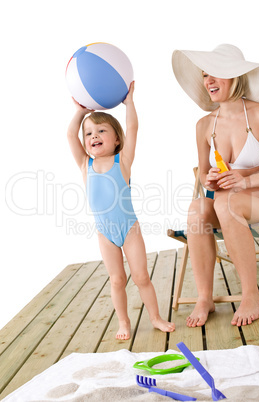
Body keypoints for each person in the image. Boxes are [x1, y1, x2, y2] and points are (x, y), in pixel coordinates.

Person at [67, 82, 175, 340]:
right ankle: (123, 323)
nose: (93, 136)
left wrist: (130, 103)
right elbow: (71, 136)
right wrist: (80, 112)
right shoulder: (85, 164)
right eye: (89, 133)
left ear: (116, 138)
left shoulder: (122, 161)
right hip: (105, 233)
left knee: (141, 277)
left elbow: (134, 128)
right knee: (117, 280)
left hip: (129, 229)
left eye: (101, 130)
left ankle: (156, 318)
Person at [172, 44, 259, 327]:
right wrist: (209, 179)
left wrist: (245, 179)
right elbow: (203, 173)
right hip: (227, 206)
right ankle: (205, 298)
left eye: (215, 74)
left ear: (235, 76)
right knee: (198, 208)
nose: (208, 81)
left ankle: (249, 294)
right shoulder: (204, 125)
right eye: (205, 75)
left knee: (226, 202)